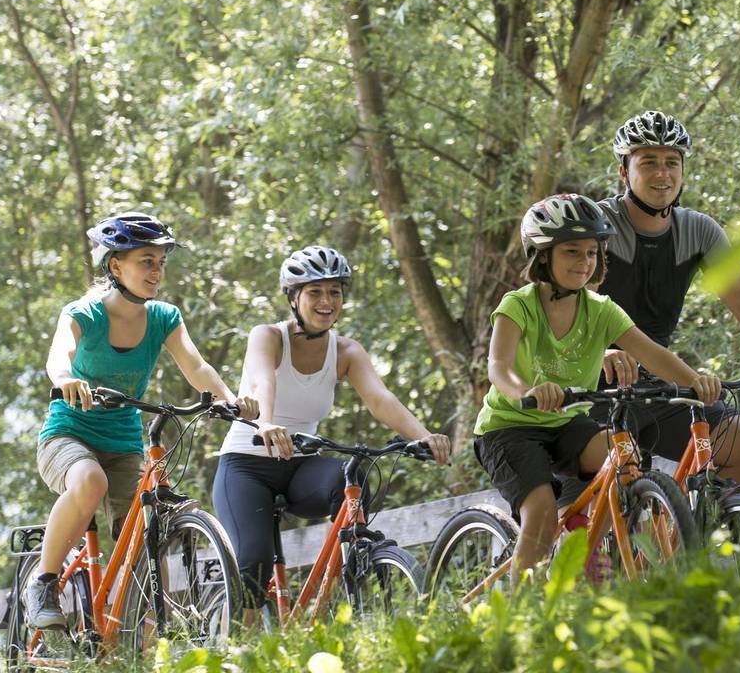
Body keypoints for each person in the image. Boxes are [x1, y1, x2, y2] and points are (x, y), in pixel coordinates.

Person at [23, 212, 258, 631]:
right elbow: (59, 353)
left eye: (161, 262)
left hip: (125, 443)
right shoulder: (85, 313)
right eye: (146, 261)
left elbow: (197, 367)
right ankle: (43, 582)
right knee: (90, 482)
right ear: (116, 266)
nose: (157, 271)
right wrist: (65, 378)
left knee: (148, 531)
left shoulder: (164, 318)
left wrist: (230, 402)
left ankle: (147, 634)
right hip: (67, 436)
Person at [475, 194, 722, 584]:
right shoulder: (518, 305)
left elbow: (652, 354)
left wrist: (696, 382)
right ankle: (521, 612)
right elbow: (498, 367)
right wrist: (530, 389)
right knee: (539, 511)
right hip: (509, 428)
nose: (584, 262)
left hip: (566, 421)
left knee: (623, 458)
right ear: (542, 256)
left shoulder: (601, 309)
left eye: (592, 252)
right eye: (572, 252)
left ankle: (589, 551)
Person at [211, 245, 451, 614]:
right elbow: (261, 384)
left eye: (334, 292)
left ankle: (336, 595)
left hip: (300, 466)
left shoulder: (347, 351)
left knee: (350, 481)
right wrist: (267, 421)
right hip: (247, 464)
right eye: (315, 292)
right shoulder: (269, 336)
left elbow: (381, 399)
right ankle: (241, 645)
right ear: (293, 297)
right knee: (253, 563)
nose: (327, 301)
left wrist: (423, 435)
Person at [588, 110, 740, 491]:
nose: (663, 174)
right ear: (625, 172)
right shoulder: (597, 225)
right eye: (649, 163)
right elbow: (564, 306)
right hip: (591, 388)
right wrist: (599, 353)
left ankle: (687, 544)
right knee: (608, 501)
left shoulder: (699, 231)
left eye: (672, 163)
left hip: (659, 387)